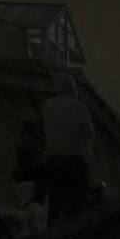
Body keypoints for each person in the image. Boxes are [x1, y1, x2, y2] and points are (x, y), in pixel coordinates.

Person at [42, 73, 94, 223]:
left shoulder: (47, 106)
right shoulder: (80, 107)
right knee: (77, 209)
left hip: (54, 162)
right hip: (75, 163)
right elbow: (89, 132)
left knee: (55, 206)